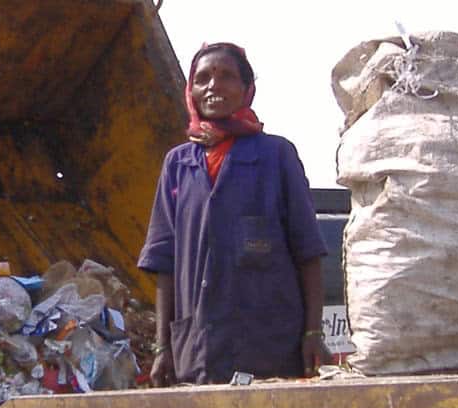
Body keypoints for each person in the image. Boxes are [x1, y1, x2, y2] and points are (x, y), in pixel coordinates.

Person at [137, 42, 328, 386]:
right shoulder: (178, 163)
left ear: (247, 89)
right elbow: (165, 262)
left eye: (226, 76)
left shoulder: (277, 155)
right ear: (191, 92)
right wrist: (162, 347)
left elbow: (308, 252)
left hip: (269, 347)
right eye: (203, 78)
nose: (213, 86)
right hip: (197, 350)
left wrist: (313, 332)